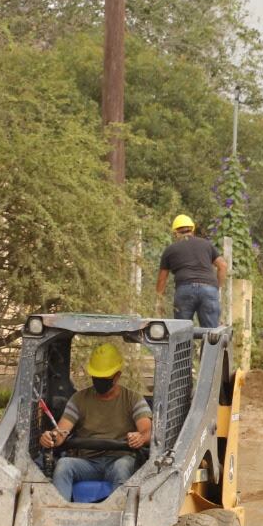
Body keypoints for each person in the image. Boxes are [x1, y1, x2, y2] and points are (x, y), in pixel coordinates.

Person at [39, 343, 153, 501]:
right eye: (96, 377)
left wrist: (140, 437)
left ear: (117, 376)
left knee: (122, 467)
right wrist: (50, 438)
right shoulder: (79, 399)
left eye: (104, 378)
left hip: (119, 460)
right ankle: (58, 516)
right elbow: (60, 433)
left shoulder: (133, 399)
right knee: (63, 465)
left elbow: (147, 431)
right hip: (88, 462)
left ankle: (119, 515)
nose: (99, 381)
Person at [155, 214, 229, 327]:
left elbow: (162, 279)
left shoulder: (170, 250)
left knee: (182, 333)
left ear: (175, 233)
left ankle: (185, 343)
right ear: (192, 230)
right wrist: (216, 288)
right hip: (209, 289)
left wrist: (159, 302)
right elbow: (223, 265)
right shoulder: (206, 244)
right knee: (211, 335)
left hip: (184, 289)